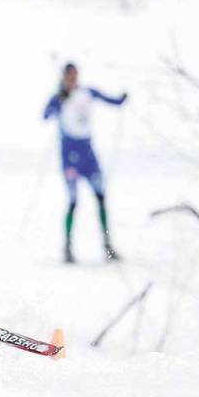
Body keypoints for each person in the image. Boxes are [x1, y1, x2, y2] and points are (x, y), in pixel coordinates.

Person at [43, 63, 127, 263]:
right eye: (69, 76)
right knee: (73, 201)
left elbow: (112, 101)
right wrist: (59, 102)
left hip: (88, 156)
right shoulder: (60, 97)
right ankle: (68, 248)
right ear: (64, 77)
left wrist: (122, 99)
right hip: (69, 156)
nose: (72, 79)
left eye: (75, 75)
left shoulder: (87, 92)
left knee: (100, 197)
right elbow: (45, 115)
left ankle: (107, 247)